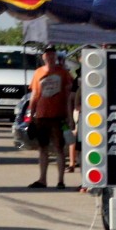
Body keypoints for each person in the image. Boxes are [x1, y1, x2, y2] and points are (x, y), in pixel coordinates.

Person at [28, 47, 73, 189]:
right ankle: (42, 179)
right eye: (47, 55)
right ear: (44, 57)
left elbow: (68, 96)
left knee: (59, 148)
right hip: (42, 115)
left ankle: (60, 180)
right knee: (43, 148)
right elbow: (35, 94)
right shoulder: (38, 73)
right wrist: (31, 114)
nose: (50, 58)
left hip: (58, 115)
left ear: (55, 57)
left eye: (52, 55)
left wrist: (69, 116)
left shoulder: (63, 73)